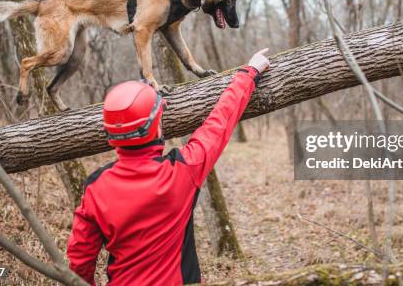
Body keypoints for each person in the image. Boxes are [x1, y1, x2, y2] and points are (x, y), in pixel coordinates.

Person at [67, 49, 270, 285]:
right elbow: (219, 122)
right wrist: (249, 72)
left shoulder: (95, 187)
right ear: (155, 127)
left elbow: (79, 261)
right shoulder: (182, 170)